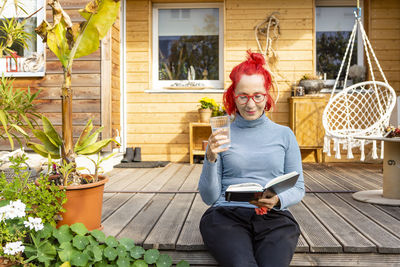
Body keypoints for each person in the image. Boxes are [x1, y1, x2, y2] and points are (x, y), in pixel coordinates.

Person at [198, 51, 305, 267]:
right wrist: (210, 158)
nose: (250, 104)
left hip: (274, 217)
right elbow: (209, 198)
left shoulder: (284, 135)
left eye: (258, 95)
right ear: (232, 96)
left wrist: (277, 200)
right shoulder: (221, 135)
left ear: (267, 96)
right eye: (243, 96)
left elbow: (299, 187)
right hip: (225, 216)